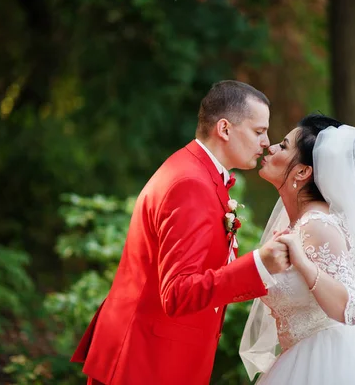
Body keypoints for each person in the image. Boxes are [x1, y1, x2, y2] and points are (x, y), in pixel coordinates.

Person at [71, 80, 292, 385]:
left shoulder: (199, 174)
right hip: (147, 361)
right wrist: (258, 264)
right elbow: (178, 293)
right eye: (258, 131)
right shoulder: (191, 184)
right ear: (225, 129)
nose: (266, 142)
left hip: (161, 354)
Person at [239, 113, 355, 384]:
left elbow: (352, 306)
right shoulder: (295, 226)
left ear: (302, 172)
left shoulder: (317, 225)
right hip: (296, 361)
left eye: (284, 145)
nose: (271, 147)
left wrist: (302, 261)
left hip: (334, 363)